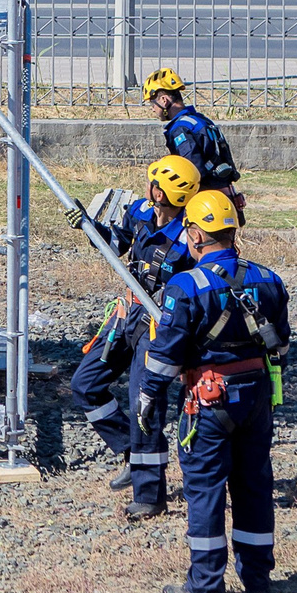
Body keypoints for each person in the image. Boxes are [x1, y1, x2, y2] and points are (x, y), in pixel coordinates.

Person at [136, 191, 291, 593]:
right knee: (254, 484)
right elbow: (282, 348)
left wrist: (149, 396)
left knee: (206, 489)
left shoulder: (185, 286)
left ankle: (206, 586)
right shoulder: (269, 279)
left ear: (196, 234)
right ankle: (258, 577)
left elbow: (166, 355)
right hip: (257, 398)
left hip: (208, 400)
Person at [66, 158, 198, 517]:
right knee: (85, 384)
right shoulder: (140, 211)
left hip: (160, 326)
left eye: (153, 183)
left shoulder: (190, 236)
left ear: (163, 191)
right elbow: (118, 242)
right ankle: (128, 448)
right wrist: (91, 229)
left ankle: (149, 493)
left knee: (146, 404)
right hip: (127, 313)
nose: (148, 187)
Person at [141, 68, 241, 204]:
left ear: (164, 100)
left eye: (152, 103)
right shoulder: (199, 120)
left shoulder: (180, 129)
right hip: (226, 192)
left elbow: (191, 171)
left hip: (207, 198)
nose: (153, 108)